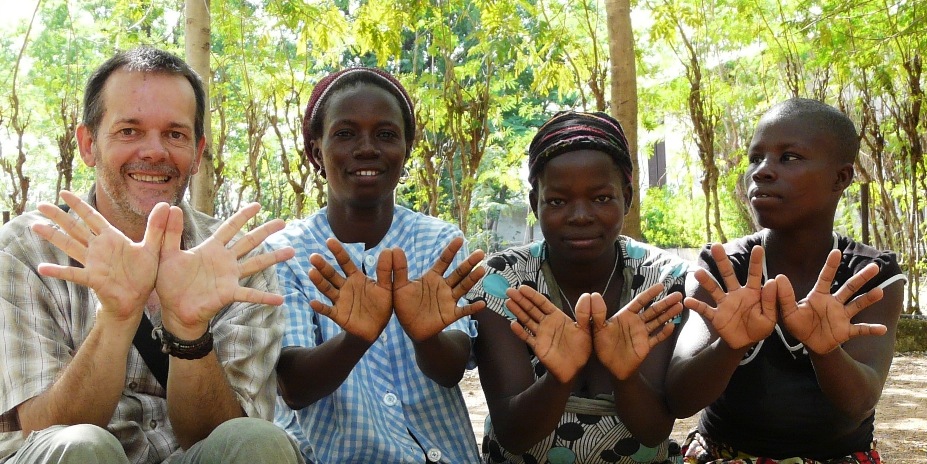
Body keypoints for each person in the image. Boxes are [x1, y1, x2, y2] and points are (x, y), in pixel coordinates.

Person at [0, 46, 302, 464]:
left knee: (258, 441)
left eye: (175, 134)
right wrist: (117, 318)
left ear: (196, 154)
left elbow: (224, 437)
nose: (154, 151)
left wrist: (189, 331)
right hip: (72, 453)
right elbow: (43, 426)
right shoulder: (24, 251)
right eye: (129, 130)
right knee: (83, 445)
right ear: (88, 144)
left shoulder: (237, 261)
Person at [666, 98, 907, 463]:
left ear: (840, 178)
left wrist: (825, 350)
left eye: (788, 157)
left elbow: (858, 404)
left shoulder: (871, 274)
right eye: (755, 158)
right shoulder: (723, 268)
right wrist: (730, 346)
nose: (761, 171)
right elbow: (680, 399)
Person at [269, 67, 486, 463]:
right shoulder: (286, 252)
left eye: (385, 135)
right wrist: (355, 338)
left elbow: (451, 368)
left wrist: (426, 336)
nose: (367, 148)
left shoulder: (437, 242)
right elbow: (293, 385)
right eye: (345, 133)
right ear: (317, 152)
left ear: (406, 150)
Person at [465, 111, 690, 464]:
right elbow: (513, 434)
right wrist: (558, 377)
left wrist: (625, 374)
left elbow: (654, 430)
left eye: (601, 198)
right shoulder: (502, 282)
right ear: (534, 204)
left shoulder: (662, 281)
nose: (580, 215)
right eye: (557, 201)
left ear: (627, 198)